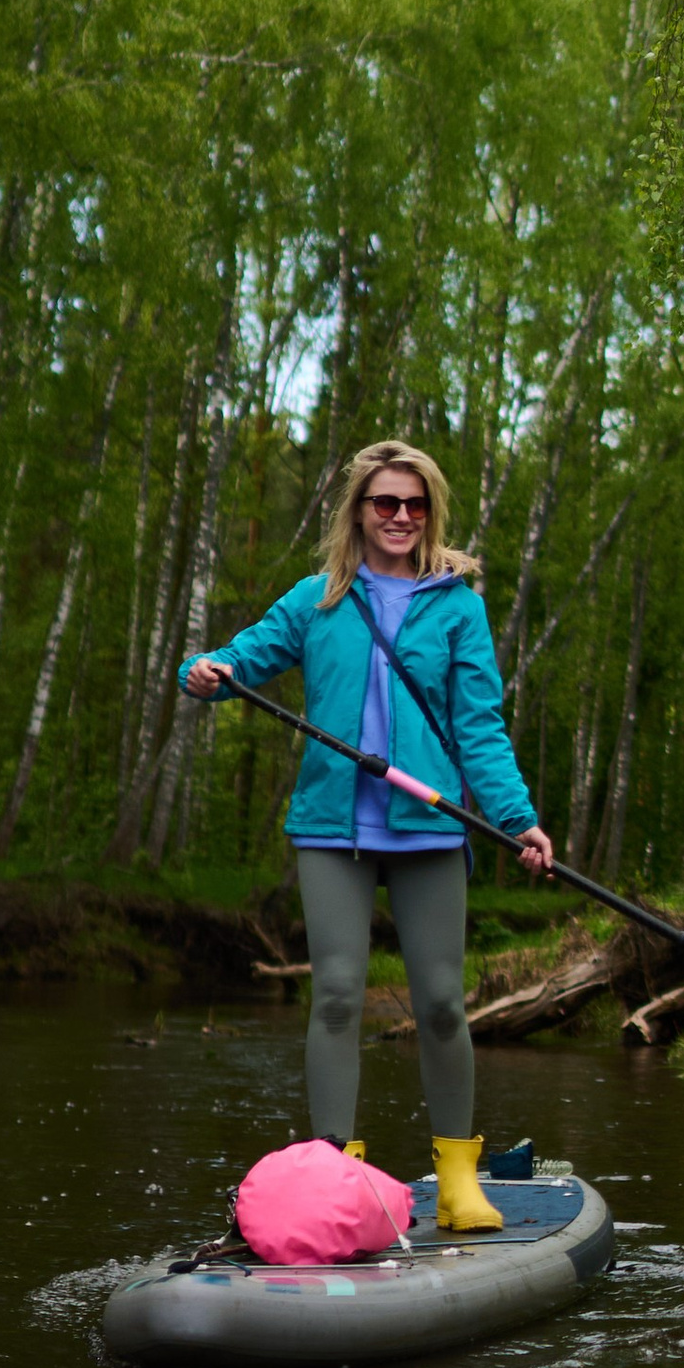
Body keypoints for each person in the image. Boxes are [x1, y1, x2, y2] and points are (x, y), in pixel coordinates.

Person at [183, 437, 554, 1236]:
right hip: (331, 827)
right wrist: (205, 668)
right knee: (339, 998)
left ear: (430, 514)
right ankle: (333, 1182)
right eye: (385, 502)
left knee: (445, 1006)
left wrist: (516, 816)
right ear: (358, 510)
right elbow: (242, 659)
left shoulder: (457, 603)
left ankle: (458, 1180)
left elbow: (479, 727)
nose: (400, 516)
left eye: (414, 504)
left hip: (428, 827)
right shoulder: (318, 599)